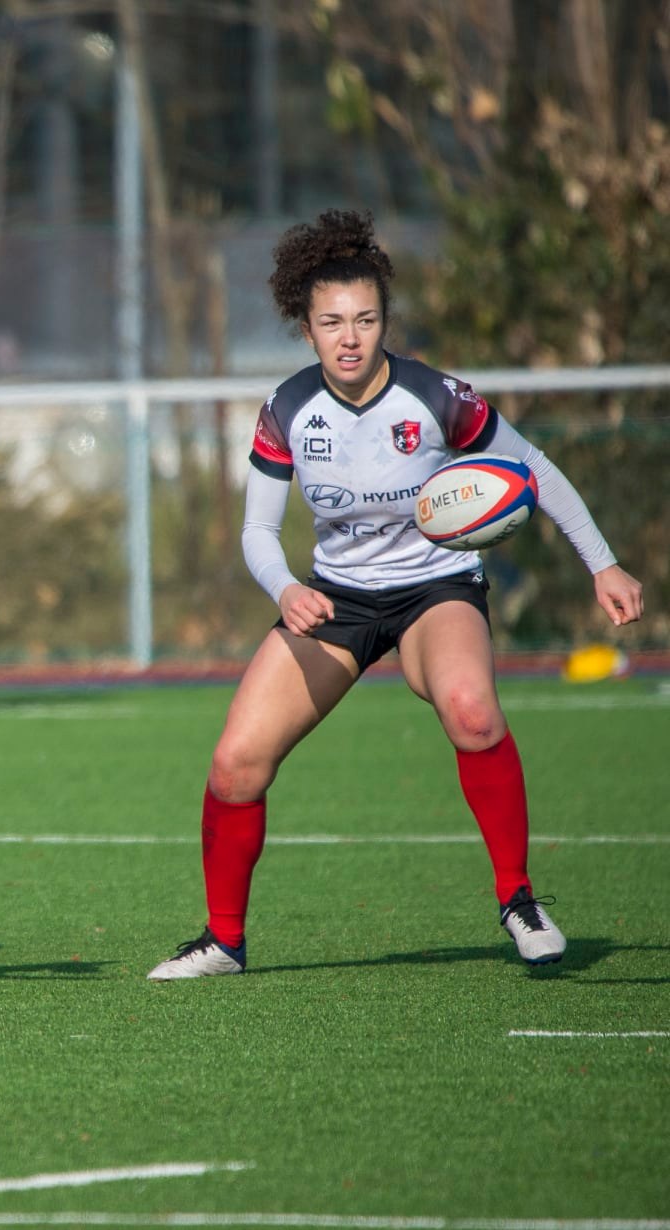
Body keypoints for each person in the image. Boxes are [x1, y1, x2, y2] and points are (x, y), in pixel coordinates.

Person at [146, 210, 644, 981]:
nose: (349, 338)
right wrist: (286, 588)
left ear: (385, 322)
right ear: (306, 330)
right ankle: (224, 942)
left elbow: (534, 467)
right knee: (235, 766)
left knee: (472, 712)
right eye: (331, 323)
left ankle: (519, 901)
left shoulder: (436, 397)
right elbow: (257, 530)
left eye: (366, 320)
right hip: (335, 600)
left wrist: (603, 564)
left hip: (435, 589)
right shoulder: (287, 410)